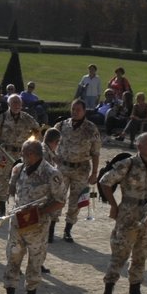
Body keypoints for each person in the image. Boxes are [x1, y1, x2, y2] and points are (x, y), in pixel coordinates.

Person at [97, 132, 147, 294]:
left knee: (141, 255)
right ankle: (107, 293)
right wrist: (114, 205)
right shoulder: (128, 164)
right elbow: (105, 181)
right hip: (128, 214)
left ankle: (134, 293)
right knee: (120, 253)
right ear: (139, 146)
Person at [2, 141, 64, 294]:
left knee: (36, 261)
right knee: (13, 258)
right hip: (18, 223)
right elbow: (12, 190)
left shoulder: (51, 174)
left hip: (38, 226)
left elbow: (60, 200)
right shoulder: (18, 169)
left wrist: (40, 211)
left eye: (24, 153)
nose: (21, 156)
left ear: (33, 154)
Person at [52, 98, 102, 244]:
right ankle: (51, 227)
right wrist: (54, 158)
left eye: (78, 110)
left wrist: (94, 173)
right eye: (73, 109)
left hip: (81, 169)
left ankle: (68, 230)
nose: (75, 112)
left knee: (76, 201)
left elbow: (96, 153)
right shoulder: (61, 125)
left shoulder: (91, 129)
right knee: (57, 197)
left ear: (84, 111)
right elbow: (49, 144)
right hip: (62, 168)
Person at [0, 93, 40, 215]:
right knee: (3, 180)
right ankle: (2, 208)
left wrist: (32, 144)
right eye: (14, 103)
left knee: (23, 180)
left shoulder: (27, 118)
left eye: (19, 103)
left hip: (22, 155)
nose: (17, 105)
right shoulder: (2, 118)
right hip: (5, 154)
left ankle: (20, 207)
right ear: (9, 104)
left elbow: (37, 131)